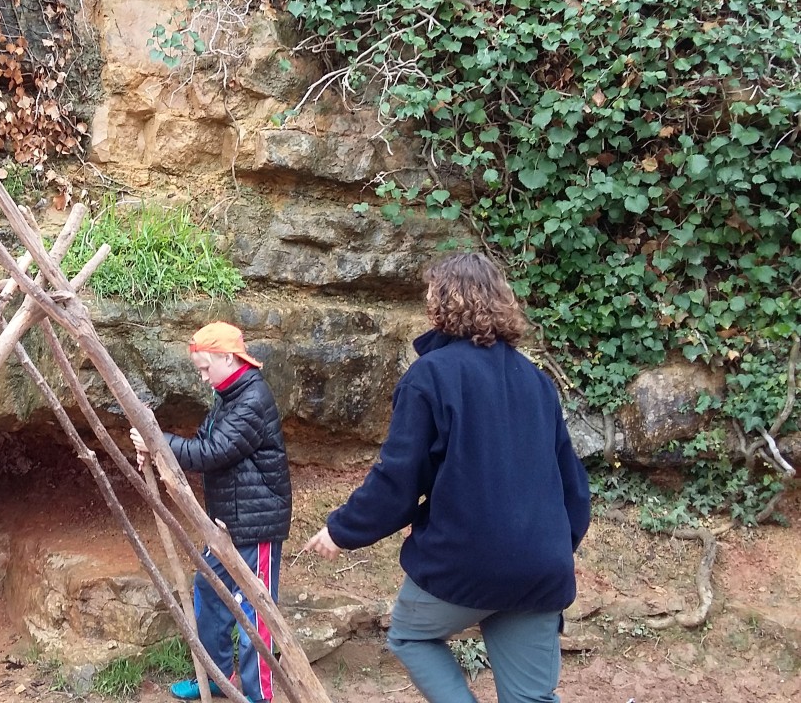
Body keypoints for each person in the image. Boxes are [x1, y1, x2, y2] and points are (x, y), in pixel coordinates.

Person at [303, 252, 591, 703]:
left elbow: (398, 480)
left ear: (442, 302)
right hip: (540, 567)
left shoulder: (430, 376)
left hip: (467, 563)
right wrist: (549, 549)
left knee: (409, 635)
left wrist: (341, 531)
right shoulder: (537, 382)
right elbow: (574, 489)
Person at [130, 321, 292, 703]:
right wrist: (158, 448)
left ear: (228, 358)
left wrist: (158, 441)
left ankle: (259, 696)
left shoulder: (252, 399)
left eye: (205, 368)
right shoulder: (228, 394)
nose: (202, 377)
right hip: (227, 523)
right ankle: (220, 676)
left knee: (256, 613)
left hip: (256, 525)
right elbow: (204, 440)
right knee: (209, 590)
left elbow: (212, 452)